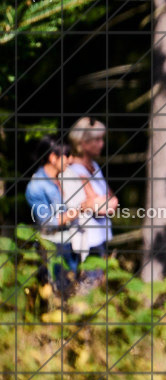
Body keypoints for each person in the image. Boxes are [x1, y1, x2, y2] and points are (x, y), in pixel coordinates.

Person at [62, 117, 119, 288]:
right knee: (87, 288)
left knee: (98, 288)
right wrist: (103, 203)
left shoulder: (93, 166)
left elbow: (112, 199)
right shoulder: (75, 170)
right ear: (83, 142)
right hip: (87, 242)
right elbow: (101, 207)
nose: (101, 144)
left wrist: (104, 203)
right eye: (97, 139)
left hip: (100, 239)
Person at [25, 137, 80, 290]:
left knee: (71, 291)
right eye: (65, 155)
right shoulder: (36, 186)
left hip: (69, 243)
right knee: (57, 294)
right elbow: (47, 221)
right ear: (53, 157)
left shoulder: (60, 179)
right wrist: (79, 210)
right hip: (51, 246)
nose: (69, 160)